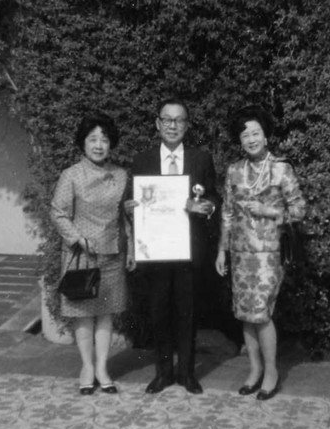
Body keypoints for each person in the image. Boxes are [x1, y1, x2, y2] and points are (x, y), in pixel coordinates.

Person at [215, 104, 306, 400]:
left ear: (266, 136)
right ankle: (254, 370)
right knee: (245, 314)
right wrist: (221, 250)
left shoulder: (281, 168)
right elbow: (227, 213)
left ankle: (271, 371)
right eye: (245, 135)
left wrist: (268, 210)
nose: (251, 139)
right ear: (239, 141)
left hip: (269, 254)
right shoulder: (234, 170)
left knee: (261, 313)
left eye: (256, 133)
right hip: (240, 253)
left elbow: (299, 209)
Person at [130, 97, 218, 394]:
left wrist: (205, 207)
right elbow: (131, 200)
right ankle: (163, 373)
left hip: (187, 251)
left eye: (178, 120)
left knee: (187, 312)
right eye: (166, 119)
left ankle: (187, 373)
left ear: (187, 125)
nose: (172, 125)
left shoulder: (200, 159)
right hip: (154, 251)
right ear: (157, 123)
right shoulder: (142, 160)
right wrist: (129, 207)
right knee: (159, 312)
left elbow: (214, 199)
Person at [51, 112, 135, 395]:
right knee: (84, 313)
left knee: (106, 313)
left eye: (104, 139)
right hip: (81, 255)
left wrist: (131, 247)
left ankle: (102, 367)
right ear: (83, 143)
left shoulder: (121, 175)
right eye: (93, 139)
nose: (99, 145)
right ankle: (87, 366)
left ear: (111, 144)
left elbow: (124, 217)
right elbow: (58, 213)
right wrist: (78, 239)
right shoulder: (71, 175)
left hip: (112, 253)